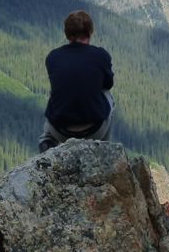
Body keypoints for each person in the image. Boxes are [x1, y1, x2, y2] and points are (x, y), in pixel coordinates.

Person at [39, 10, 115, 152]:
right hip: (95, 130)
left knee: (55, 94)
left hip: (60, 131)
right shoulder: (101, 55)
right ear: (90, 32)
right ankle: (102, 149)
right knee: (108, 95)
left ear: (66, 33)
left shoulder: (53, 57)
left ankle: (47, 140)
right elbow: (108, 84)